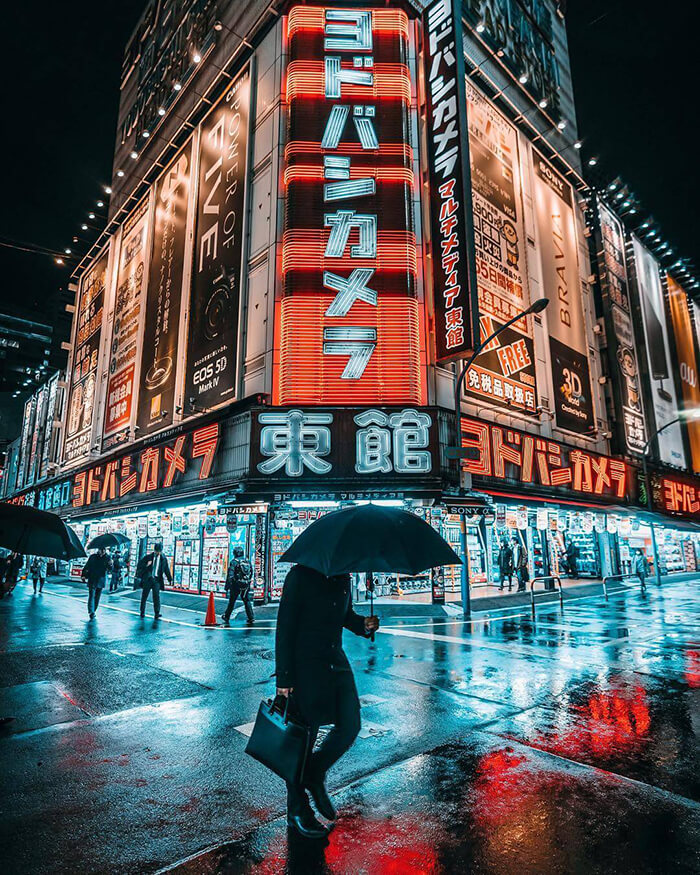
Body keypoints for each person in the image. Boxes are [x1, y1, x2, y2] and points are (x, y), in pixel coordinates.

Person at [275, 564, 380, 839]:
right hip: (304, 668)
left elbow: (345, 615)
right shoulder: (299, 576)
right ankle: (297, 811)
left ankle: (314, 773)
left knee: (350, 724)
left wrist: (362, 625)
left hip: (335, 661)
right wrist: (284, 678)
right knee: (303, 739)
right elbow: (285, 627)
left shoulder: (343, 577)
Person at [136, 542, 172, 619]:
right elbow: (139, 565)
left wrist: (170, 579)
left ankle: (157, 613)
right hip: (148, 579)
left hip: (157, 580)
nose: (158, 553)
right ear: (154, 550)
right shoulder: (148, 557)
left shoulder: (163, 559)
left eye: (159, 551)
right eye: (157, 551)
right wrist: (147, 565)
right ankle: (142, 612)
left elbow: (166, 569)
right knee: (144, 596)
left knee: (156, 596)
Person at [221, 546, 255, 626]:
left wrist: (227, 586)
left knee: (232, 601)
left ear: (235, 553)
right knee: (246, 600)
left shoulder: (234, 562)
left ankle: (227, 616)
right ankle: (251, 617)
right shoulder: (247, 561)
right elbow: (251, 573)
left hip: (236, 585)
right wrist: (247, 582)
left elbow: (230, 576)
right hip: (245, 585)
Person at [81, 548, 111, 619]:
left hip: (101, 579)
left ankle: (93, 610)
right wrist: (83, 575)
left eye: (104, 550)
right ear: (98, 550)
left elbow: (109, 569)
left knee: (97, 597)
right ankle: (91, 612)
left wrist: (110, 565)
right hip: (92, 578)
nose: (102, 551)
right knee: (91, 595)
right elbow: (87, 566)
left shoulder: (107, 558)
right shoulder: (93, 557)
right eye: (101, 549)